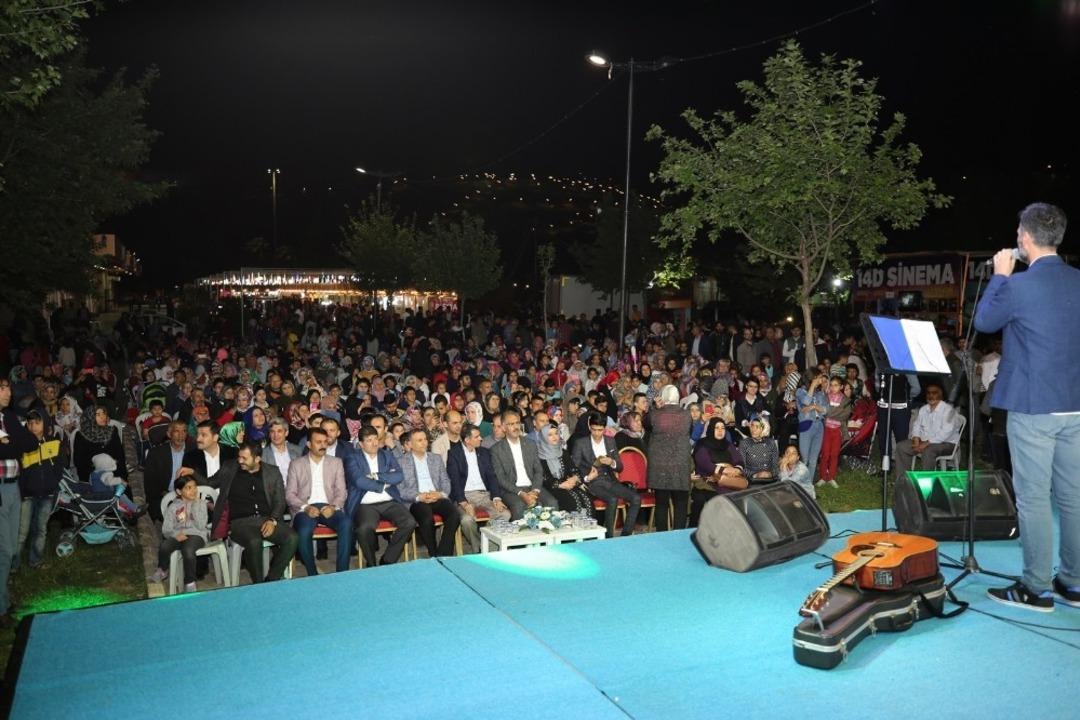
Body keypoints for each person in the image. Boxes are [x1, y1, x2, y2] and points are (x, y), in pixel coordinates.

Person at [974, 202, 1080, 611]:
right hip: (1074, 406)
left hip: (1034, 408)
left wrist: (1001, 276)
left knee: (1034, 498)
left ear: (1025, 238)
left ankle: (1036, 588)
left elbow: (984, 323)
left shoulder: (1017, 286)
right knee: (1072, 498)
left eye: (1019, 231)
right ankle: (1072, 583)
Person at [180, 441, 297, 583]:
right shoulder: (230, 468)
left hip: (266, 520)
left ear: (257, 459)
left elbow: (280, 501)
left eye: (244, 458)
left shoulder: (272, 472)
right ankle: (259, 583)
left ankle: (272, 579)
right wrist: (193, 473)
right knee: (254, 541)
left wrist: (272, 520)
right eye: (239, 457)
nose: (240, 461)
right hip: (240, 523)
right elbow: (210, 483)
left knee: (292, 538)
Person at [345, 425, 416, 567]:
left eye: (376, 439)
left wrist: (377, 476)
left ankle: (388, 560)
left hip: (389, 501)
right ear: (361, 444)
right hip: (365, 504)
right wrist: (382, 485)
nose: (374, 443)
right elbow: (359, 481)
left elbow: (398, 476)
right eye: (369, 440)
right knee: (364, 528)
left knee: (409, 522)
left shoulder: (387, 455)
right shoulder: (352, 458)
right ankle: (371, 563)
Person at [285, 427, 351, 575]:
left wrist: (334, 506)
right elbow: (289, 495)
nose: (323, 445)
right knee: (303, 530)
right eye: (318, 442)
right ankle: (312, 573)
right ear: (308, 444)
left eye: (325, 442)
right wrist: (305, 507)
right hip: (305, 508)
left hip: (330, 506)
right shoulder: (296, 464)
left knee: (346, 524)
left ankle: (343, 573)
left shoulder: (336, 462)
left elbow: (342, 491)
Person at [571, 411, 640, 538]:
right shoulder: (580, 443)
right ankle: (608, 537)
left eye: (600, 430)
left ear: (605, 428)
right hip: (592, 483)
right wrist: (586, 478)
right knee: (612, 500)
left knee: (636, 498)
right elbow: (573, 469)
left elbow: (620, 467)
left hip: (610, 480)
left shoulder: (610, 441)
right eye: (594, 430)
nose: (597, 433)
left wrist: (612, 462)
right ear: (589, 426)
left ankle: (626, 535)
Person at [1, 378, 36, 624]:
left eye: (9, 388)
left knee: (11, 549)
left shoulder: (9, 417)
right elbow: (15, 448)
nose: (8, 392)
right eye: (2, 388)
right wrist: (14, 445)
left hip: (13, 488)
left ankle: (3, 598)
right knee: (4, 550)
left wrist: (9, 443)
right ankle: (1, 608)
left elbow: (30, 442)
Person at [446, 423, 511, 553]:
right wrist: (464, 503)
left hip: (484, 495)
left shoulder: (484, 452)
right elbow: (455, 481)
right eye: (477, 437)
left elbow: (492, 477)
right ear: (467, 440)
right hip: (464, 496)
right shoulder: (454, 454)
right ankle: (477, 548)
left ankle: (487, 547)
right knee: (466, 520)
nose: (481, 438)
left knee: (505, 514)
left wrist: (497, 498)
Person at [399, 429, 460, 558]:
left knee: (454, 514)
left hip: (436, 496)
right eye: (419, 440)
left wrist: (441, 494)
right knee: (426, 518)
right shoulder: (401, 461)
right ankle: (433, 553)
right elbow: (400, 489)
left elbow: (445, 480)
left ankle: (444, 553)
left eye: (425, 439)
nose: (424, 443)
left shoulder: (436, 458)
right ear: (410, 443)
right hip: (417, 499)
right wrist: (419, 496)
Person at [16, 410, 65, 569]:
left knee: (41, 529)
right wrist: (22, 491)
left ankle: (35, 561)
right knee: (22, 532)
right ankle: (12, 565)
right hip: (28, 494)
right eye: (30, 423)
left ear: (44, 424)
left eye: (37, 422)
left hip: (47, 494)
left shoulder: (54, 443)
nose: (33, 426)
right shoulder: (23, 447)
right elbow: (20, 471)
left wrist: (52, 483)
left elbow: (59, 467)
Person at [490, 409, 558, 519]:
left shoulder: (530, 444)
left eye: (517, 423)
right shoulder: (496, 450)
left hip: (532, 486)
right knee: (519, 506)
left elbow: (538, 470)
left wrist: (535, 490)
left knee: (552, 502)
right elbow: (501, 478)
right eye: (511, 424)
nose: (516, 427)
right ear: (503, 427)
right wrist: (521, 493)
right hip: (512, 490)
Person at [148, 475, 208, 592]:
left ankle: (190, 582)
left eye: (194, 487)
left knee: (188, 549)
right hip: (178, 534)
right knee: (165, 546)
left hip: (197, 535)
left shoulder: (201, 504)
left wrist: (195, 504)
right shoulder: (173, 507)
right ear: (179, 491)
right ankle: (162, 570)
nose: (193, 490)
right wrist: (175, 535)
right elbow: (166, 530)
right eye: (188, 488)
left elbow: (201, 525)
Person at [646, 385, 692, 531]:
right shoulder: (686, 415)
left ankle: (662, 535)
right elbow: (689, 431)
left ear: (663, 398)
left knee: (661, 503)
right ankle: (678, 534)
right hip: (680, 464)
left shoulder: (655, 414)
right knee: (681, 502)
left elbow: (645, 424)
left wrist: (655, 407)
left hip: (660, 465)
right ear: (678, 398)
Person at [891, 382, 960, 479]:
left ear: (940, 395)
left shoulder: (949, 411)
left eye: (934, 393)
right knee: (901, 447)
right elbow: (917, 425)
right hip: (925, 441)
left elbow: (945, 433)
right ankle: (903, 480)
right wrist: (915, 439)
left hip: (947, 443)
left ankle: (927, 483)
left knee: (928, 451)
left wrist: (926, 443)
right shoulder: (924, 409)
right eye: (928, 393)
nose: (931, 395)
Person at [690, 417, 746, 527]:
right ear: (711, 429)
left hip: (728, 480)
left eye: (722, 428)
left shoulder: (728, 445)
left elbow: (739, 460)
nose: (720, 431)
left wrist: (736, 470)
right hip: (707, 482)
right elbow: (705, 464)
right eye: (717, 428)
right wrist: (725, 470)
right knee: (713, 499)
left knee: (741, 497)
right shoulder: (702, 444)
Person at [537, 423, 591, 513]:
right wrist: (560, 484)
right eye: (550, 435)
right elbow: (543, 477)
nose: (554, 437)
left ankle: (590, 526)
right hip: (551, 488)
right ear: (543, 438)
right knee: (573, 503)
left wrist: (574, 478)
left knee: (586, 499)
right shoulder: (538, 455)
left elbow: (573, 469)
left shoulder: (563, 452)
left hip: (568, 484)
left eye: (556, 433)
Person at [144, 419, 190, 521]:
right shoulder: (156, 453)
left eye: (184, 431)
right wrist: (166, 495)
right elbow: (150, 482)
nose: (181, 435)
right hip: (163, 495)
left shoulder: (193, 452)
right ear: (169, 434)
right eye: (176, 431)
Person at [73, 404, 126, 486]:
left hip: (113, 471)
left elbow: (120, 455)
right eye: (98, 415)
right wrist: (98, 469)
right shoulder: (80, 435)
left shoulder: (112, 431)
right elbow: (79, 461)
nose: (103, 417)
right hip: (92, 476)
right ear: (90, 417)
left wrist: (121, 476)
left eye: (104, 414)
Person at [817, 377, 853, 489]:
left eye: (836, 385)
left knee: (834, 454)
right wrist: (834, 412)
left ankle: (831, 477)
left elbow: (845, 415)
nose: (833, 387)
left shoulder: (846, 400)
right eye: (831, 385)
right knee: (825, 454)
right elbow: (824, 414)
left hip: (837, 430)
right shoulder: (825, 397)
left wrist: (827, 411)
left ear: (841, 387)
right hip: (826, 430)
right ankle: (823, 477)